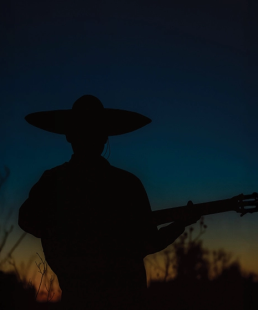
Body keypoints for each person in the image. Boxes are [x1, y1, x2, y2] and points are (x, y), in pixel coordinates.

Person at [18, 95, 201, 310]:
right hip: (112, 298)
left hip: (98, 299)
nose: (89, 136)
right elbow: (150, 241)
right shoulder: (123, 183)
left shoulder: (57, 180)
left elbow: (147, 241)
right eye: (84, 129)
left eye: (93, 130)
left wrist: (179, 224)